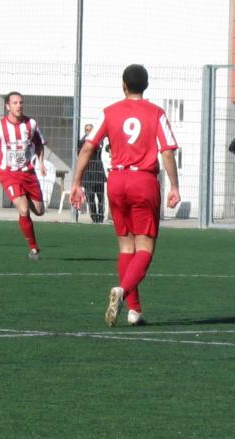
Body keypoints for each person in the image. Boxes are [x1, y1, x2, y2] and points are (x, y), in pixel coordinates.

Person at [71, 64, 180, 327]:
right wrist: (175, 186)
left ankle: (134, 311)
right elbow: (166, 152)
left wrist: (76, 182)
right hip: (143, 180)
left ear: (123, 85)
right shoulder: (156, 113)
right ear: (146, 85)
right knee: (145, 248)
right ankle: (122, 291)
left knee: (125, 247)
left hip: (117, 180)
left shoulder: (109, 112)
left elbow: (88, 147)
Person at [0, 91, 47, 259]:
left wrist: (40, 162)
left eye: (21, 102)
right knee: (23, 209)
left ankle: (25, 198)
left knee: (40, 211)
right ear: (7, 106)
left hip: (28, 173)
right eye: (15, 103)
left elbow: (40, 144)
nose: (19, 105)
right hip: (9, 174)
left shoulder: (31, 124)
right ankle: (34, 248)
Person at [78, 124, 107, 223]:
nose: (88, 132)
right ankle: (94, 217)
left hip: (98, 171)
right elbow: (80, 153)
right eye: (86, 130)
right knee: (90, 197)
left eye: (90, 130)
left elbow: (98, 148)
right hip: (88, 173)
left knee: (101, 197)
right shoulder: (82, 142)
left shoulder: (99, 141)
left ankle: (101, 216)